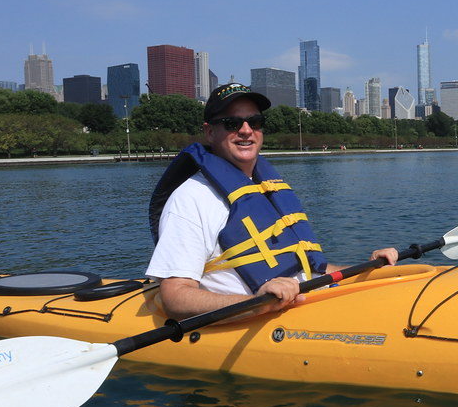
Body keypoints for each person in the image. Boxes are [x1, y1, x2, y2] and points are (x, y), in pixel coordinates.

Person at [146, 83, 397, 321]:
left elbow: (313, 269)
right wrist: (257, 303)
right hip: (258, 321)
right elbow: (175, 296)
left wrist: (369, 268)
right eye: (232, 123)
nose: (246, 130)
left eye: (254, 122)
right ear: (210, 132)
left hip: (308, 304)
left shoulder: (268, 189)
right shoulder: (190, 199)